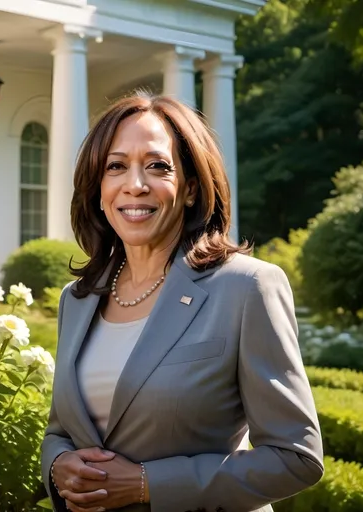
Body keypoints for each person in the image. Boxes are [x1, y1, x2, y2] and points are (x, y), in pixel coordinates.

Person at [40, 93, 324, 512]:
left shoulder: (248, 287)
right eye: (115, 166)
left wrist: (147, 484)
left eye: (158, 166)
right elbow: (61, 430)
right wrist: (58, 464)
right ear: (99, 190)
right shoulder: (77, 300)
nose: (135, 184)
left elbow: (296, 458)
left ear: (190, 189)